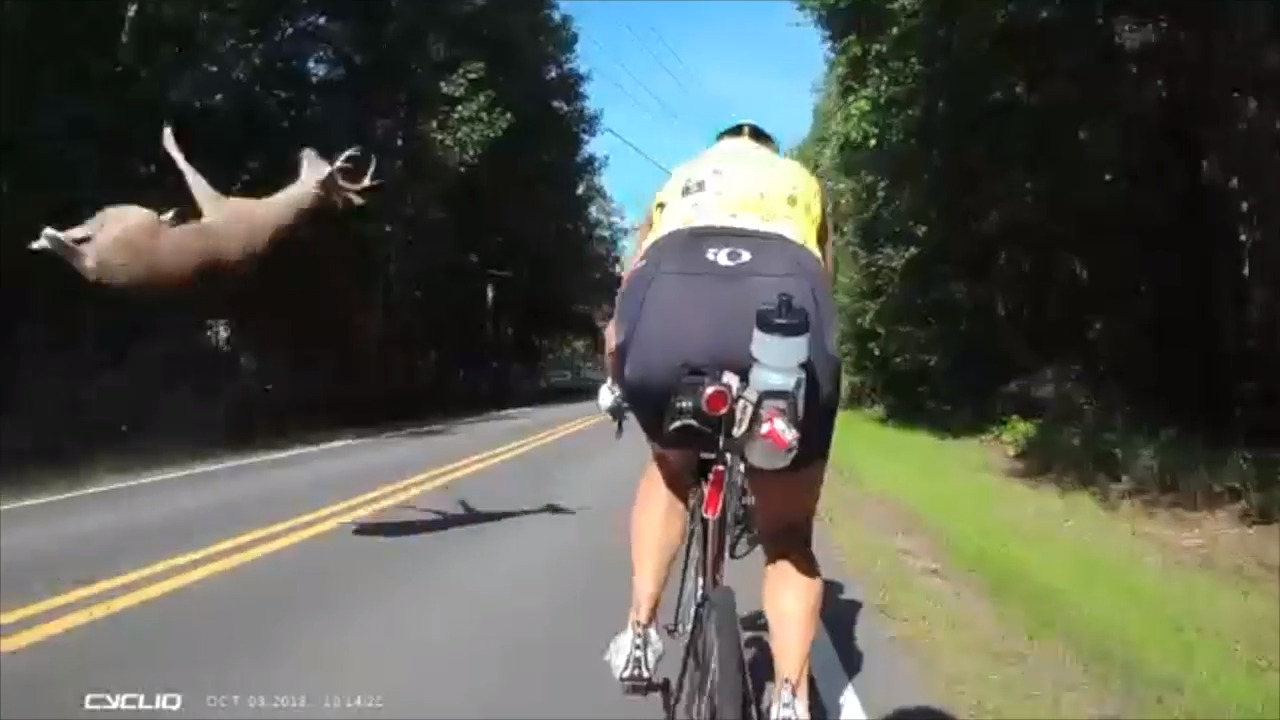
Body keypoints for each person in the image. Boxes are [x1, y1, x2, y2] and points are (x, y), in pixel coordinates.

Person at [600, 120, 840, 720]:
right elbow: (824, 283)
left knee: (671, 468)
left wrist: (616, 378)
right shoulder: (801, 181)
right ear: (768, 151)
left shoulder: (681, 179)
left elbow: (630, 286)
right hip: (782, 316)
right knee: (786, 534)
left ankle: (638, 632)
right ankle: (790, 698)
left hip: (670, 311)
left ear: (720, 146)